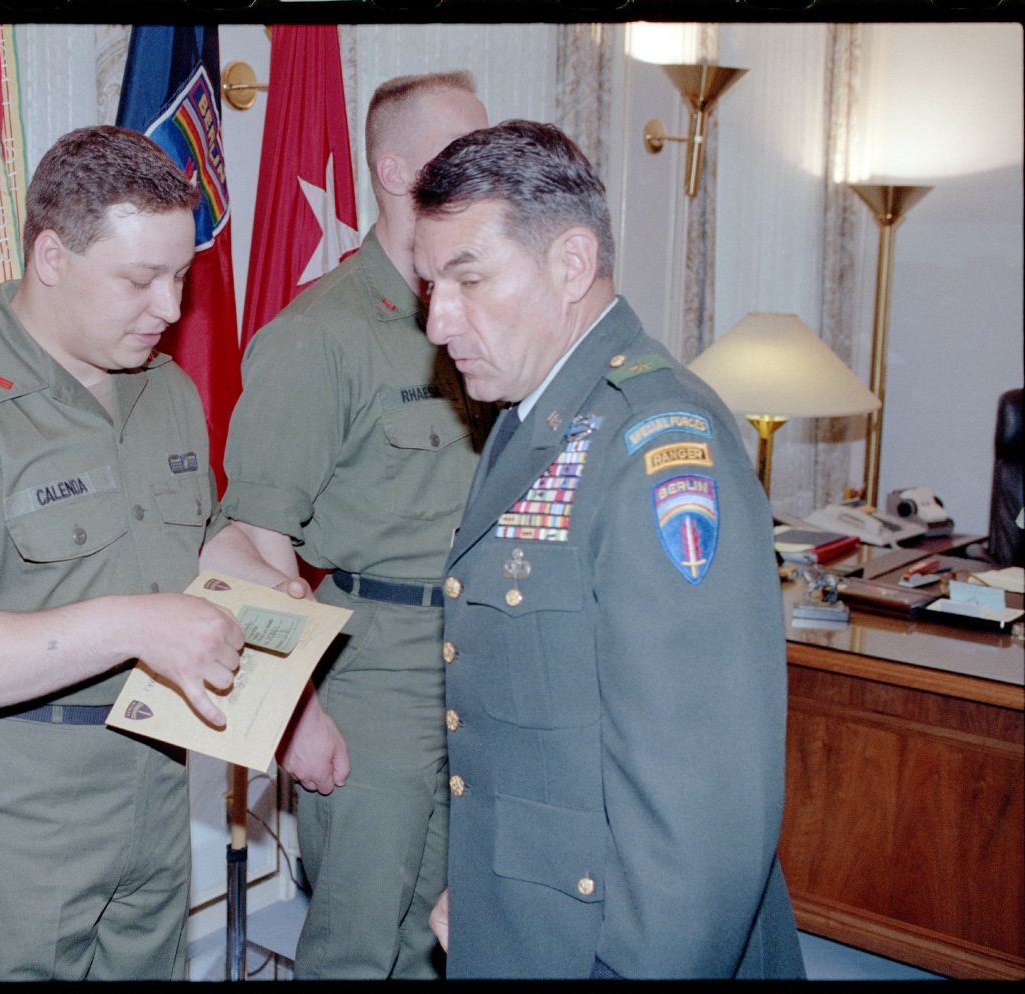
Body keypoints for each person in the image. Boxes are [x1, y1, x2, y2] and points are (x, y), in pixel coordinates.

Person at [0, 126, 304, 981]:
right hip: (11, 818)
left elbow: (187, 535)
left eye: (180, 277)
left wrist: (265, 580)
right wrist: (134, 624)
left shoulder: (163, 390)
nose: (170, 310)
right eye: (140, 280)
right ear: (51, 256)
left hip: (151, 785)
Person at [412, 120, 806, 980]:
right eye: (429, 284)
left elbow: (700, 810)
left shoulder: (656, 445)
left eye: (467, 279)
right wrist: (483, 887)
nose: (438, 321)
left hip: (623, 946)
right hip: (535, 911)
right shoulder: (533, 420)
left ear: (571, 264)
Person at [220, 72, 492, 979]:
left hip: (479, 656)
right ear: (393, 169)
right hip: (373, 674)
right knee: (360, 946)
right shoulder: (322, 335)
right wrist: (288, 715)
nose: (487, 171)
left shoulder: (482, 317)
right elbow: (248, 543)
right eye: (464, 153)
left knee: (456, 933)